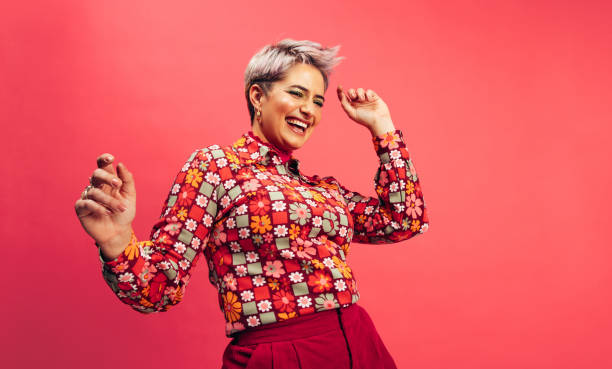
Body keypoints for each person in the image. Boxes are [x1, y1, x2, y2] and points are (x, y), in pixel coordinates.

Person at [75, 39, 429, 369]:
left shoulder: (322, 190)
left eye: (318, 101)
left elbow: (403, 220)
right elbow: (156, 290)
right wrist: (116, 240)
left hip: (360, 342)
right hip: (279, 353)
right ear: (258, 96)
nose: (309, 110)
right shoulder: (215, 167)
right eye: (297, 93)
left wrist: (382, 127)